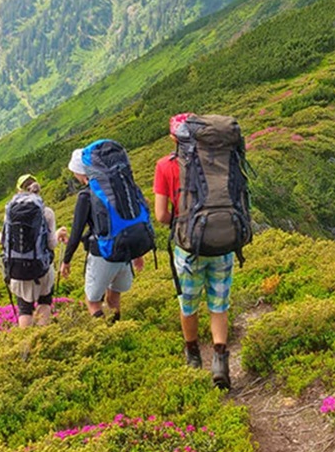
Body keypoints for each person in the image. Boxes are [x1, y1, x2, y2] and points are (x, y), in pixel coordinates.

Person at [154, 113, 237, 390]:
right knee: (219, 304)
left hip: (188, 247)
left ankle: (192, 356)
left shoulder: (165, 166)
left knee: (188, 304)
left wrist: (183, 217)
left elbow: (162, 215)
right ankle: (220, 359)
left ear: (173, 137)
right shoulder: (218, 161)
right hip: (223, 241)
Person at [60, 148, 145, 321]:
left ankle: (105, 338)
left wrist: (66, 260)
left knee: (92, 302)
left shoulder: (86, 195)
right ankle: (118, 332)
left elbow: (76, 232)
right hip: (126, 252)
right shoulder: (117, 188)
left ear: (79, 172)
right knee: (114, 298)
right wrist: (138, 253)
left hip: (103, 253)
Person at [0, 174, 65, 328]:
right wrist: (58, 234)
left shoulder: (10, 212)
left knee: (24, 308)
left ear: (18, 190)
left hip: (18, 270)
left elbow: (7, 243)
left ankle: (25, 343)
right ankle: (43, 339)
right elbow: (51, 244)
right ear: (37, 190)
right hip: (42, 269)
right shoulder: (47, 212)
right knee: (45, 301)